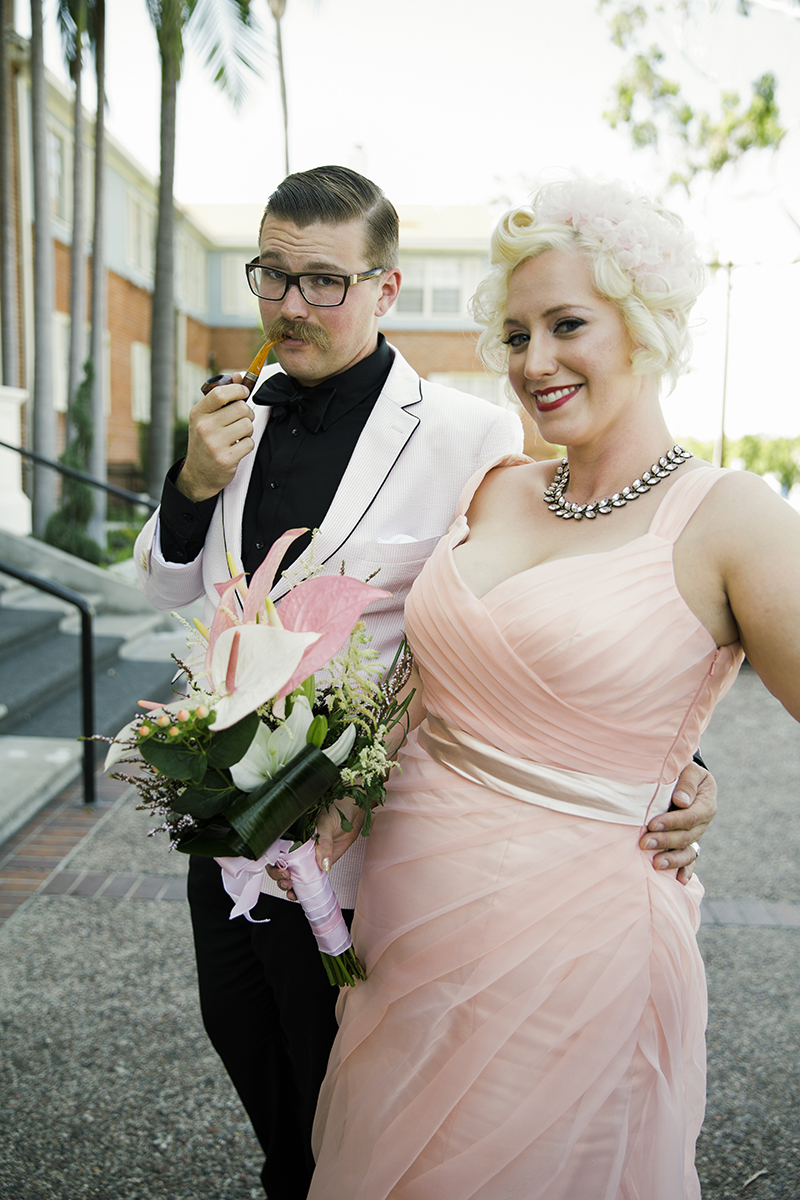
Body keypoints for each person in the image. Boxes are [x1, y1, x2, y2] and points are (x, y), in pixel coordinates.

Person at [134, 167, 717, 1200]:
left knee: (346, 1080)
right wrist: (187, 486)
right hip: (221, 813)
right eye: (272, 276)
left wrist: (678, 755)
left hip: (362, 832)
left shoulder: (468, 435)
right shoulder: (234, 412)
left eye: (324, 282)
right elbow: (163, 579)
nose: (290, 306)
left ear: (386, 289)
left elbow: (547, 595)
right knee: (241, 1037)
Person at [308, 177, 800, 1200]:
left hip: (574, 948)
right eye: (516, 332)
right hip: (406, 914)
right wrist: (335, 798)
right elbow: (424, 676)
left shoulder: (731, 518)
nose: (534, 363)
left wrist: (675, 769)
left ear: (646, 326)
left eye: (566, 324)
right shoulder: (494, 485)